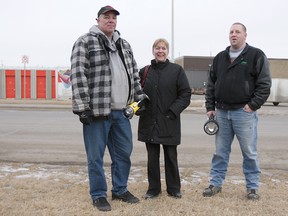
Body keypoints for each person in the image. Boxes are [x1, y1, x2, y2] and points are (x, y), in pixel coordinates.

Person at [70, 5, 147, 212]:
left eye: (114, 18)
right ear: (97, 20)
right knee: (95, 157)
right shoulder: (85, 42)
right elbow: (78, 76)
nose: (111, 20)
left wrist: (139, 99)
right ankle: (98, 194)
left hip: (122, 112)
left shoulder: (125, 44)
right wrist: (81, 107)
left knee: (123, 155)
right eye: (106, 17)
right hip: (97, 112)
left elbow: (134, 75)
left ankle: (120, 189)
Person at [203, 22, 271, 200]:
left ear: (245, 35)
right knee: (220, 152)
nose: (234, 34)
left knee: (249, 152)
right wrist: (210, 107)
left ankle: (253, 188)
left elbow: (264, 85)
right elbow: (211, 84)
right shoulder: (220, 58)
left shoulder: (256, 55)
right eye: (231, 32)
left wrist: (252, 105)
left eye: (238, 32)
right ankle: (215, 184)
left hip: (244, 113)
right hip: (222, 113)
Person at [137, 38, 191, 200]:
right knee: (152, 158)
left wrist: (172, 112)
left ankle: (174, 188)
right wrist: (138, 107)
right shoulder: (145, 71)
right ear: (153, 50)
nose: (160, 51)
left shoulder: (176, 71)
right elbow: (136, 93)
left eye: (163, 48)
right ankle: (153, 189)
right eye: (157, 48)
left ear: (168, 52)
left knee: (171, 157)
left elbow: (185, 94)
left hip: (169, 120)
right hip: (149, 122)